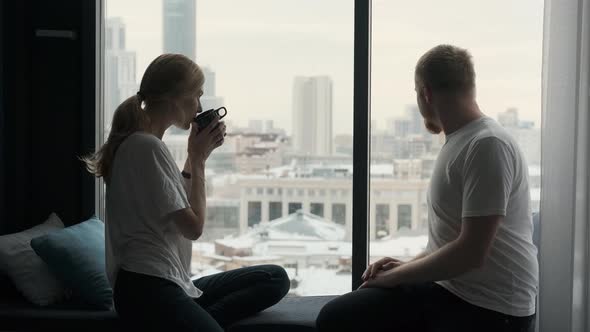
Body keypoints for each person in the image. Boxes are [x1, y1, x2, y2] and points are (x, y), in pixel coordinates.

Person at [316, 45, 538, 332]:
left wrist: (397, 278)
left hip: (490, 308)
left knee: (340, 319)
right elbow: (451, 240)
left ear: (425, 94)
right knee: (344, 312)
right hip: (457, 291)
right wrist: (405, 266)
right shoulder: (464, 140)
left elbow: (471, 252)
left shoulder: (487, 145)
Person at [83, 54, 289, 331]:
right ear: (175, 97)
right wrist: (200, 159)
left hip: (165, 281)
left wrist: (193, 156)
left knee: (274, 278)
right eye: (197, 95)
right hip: (147, 287)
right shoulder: (146, 147)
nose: (200, 106)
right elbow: (193, 227)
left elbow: (174, 197)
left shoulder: (144, 145)